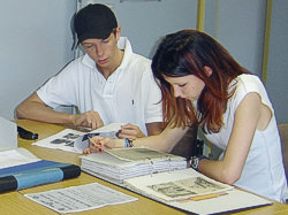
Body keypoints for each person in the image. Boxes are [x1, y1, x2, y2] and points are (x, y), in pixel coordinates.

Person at [87, 29, 288, 202]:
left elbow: (228, 173)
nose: (176, 94)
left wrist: (194, 162)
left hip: (265, 200)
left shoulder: (247, 92)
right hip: (229, 195)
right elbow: (164, 143)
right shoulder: (198, 93)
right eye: (171, 85)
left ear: (206, 71)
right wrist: (115, 146)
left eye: (181, 85)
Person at [15, 3, 163, 139]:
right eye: (89, 46)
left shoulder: (147, 72)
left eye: (105, 41)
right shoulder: (79, 69)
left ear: (117, 33)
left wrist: (140, 140)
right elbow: (24, 109)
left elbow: (160, 143)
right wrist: (73, 119)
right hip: (94, 157)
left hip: (137, 161)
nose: (100, 53)